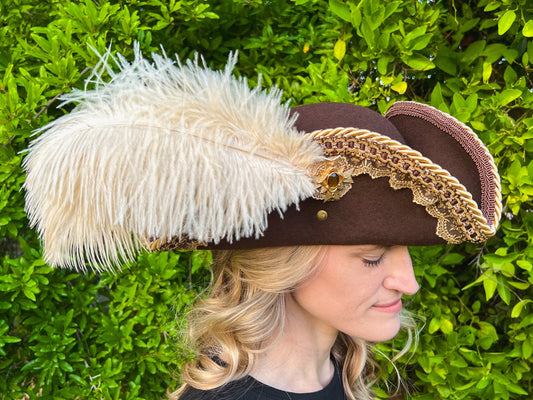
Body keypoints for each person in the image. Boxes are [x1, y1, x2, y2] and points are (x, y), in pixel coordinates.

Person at [22, 45, 502, 399]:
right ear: (285, 262)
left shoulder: (340, 375)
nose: (409, 282)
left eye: (403, 252)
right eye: (372, 258)